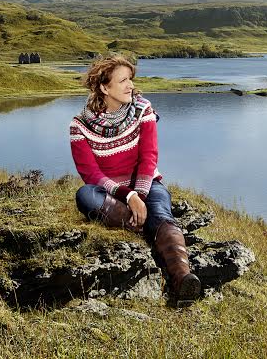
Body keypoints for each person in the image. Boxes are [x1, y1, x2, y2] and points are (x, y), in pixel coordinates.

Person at [69, 54, 201, 301]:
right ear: (104, 87)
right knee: (85, 195)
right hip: (111, 192)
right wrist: (128, 196)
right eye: (123, 81)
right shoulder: (79, 126)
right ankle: (144, 226)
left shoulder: (143, 110)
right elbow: (91, 174)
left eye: (130, 79)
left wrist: (139, 195)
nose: (130, 85)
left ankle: (182, 278)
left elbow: (148, 159)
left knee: (161, 211)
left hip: (147, 182)